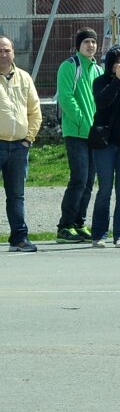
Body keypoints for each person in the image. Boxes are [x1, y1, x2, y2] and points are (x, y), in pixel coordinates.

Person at [88, 46, 120, 248]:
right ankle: (99, 234)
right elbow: (103, 103)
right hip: (104, 143)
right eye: (116, 61)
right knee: (105, 189)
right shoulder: (99, 82)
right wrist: (118, 81)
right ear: (109, 64)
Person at [55, 27, 102, 243]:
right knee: (79, 179)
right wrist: (84, 124)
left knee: (89, 182)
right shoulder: (69, 67)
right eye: (86, 42)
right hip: (76, 132)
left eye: (93, 42)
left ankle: (79, 223)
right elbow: (66, 98)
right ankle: (64, 226)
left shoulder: (98, 70)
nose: (91, 45)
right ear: (78, 45)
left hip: (94, 134)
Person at [0, 36, 41, 252]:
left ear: (13, 52)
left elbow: (35, 112)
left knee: (16, 196)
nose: (3, 55)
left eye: (6, 50)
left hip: (18, 147)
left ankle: (19, 239)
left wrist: (28, 139)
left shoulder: (24, 78)